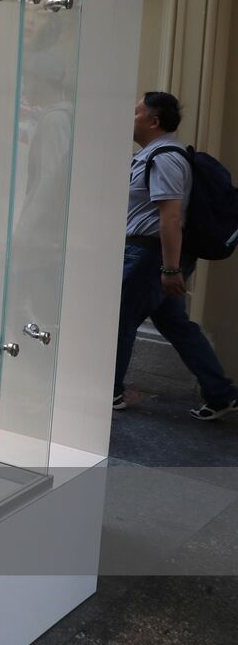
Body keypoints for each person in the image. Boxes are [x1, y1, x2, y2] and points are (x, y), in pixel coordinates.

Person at [114, 91, 238, 420]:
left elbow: (170, 217)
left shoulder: (165, 157)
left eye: (136, 112)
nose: (131, 118)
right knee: (175, 324)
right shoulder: (151, 155)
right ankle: (221, 393)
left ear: (154, 121)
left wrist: (170, 270)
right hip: (153, 254)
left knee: (119, 319)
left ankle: (109, 391)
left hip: (151, 254)